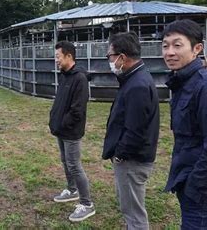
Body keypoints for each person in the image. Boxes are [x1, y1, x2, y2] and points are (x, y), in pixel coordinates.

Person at [162, 19, 207, 229]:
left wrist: (194, 187)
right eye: (165, 45)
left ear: (197, 49)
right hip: (189, 181)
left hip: (206, 190)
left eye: (177, 45)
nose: (169, 52)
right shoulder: (182, 83)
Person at [102, 31, 160, 230]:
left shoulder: (137, 85)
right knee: (129, 208)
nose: (109, 61)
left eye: (110, 56)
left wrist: (120, 155)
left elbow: (135, 130)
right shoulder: (135, 79)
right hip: (131, 158)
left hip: (132, 160)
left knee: (134, 214)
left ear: (122, 57)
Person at [49, 40, 95, 222]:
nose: (56, 60)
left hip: (71, 132)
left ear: (69, 56)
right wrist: (54, 119)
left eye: (58, 57)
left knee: (74, 165)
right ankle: (72, 190)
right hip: (60, 129)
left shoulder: (80, 79)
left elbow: (77, 110)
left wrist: (62, 124)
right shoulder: (65, 75)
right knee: (65, 161)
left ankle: (87, 203)